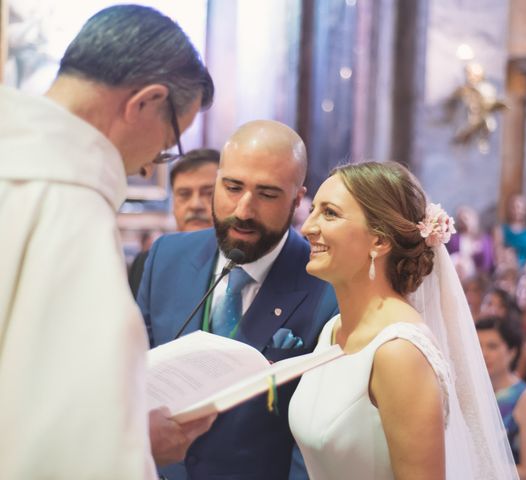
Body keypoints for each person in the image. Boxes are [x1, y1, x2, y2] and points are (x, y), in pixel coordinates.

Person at [0, 5, 216, 478]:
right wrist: (137, 441)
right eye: (166, 145)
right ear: (144, 102)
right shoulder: (68, 203)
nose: (146, 168)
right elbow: (69, 440)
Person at [137, 120, 338, 480]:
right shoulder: (166, 257)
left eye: (267, 194)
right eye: (232, 187)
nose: (243, 210)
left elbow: (317, 442)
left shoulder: (327, 287)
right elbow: (132, 376)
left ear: (297, 200)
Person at [289, 161, 517, 479]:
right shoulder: (334, 328)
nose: (307, 227)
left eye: (329, 213)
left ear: (379, 241)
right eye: (313, 210)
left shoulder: (399, 352)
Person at [128, 148, 220, 296]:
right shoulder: (148, 265)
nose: (195, 205)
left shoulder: (244, 266)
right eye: (184, 194)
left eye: (209, 193)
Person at [476, 317, 526, 480]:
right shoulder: (472, 392)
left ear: (512, 351)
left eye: (492, 346)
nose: (483, 354)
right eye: (478, 346)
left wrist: (476, 466)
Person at [493, 194, 526, 273]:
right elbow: (498, 251)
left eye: (520, 207)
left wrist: (525, 272)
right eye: (513, 207)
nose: (516, 210)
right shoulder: (500, 229)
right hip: (505, 269)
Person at [446, 204, 494, 275]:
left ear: (474, 219)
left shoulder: (484, 239)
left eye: (465, 218)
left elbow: (487, 262)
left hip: (478, 276)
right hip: (457, 274)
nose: (463, 222)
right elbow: (450, 257)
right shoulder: (454, 239)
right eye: (460, 220)